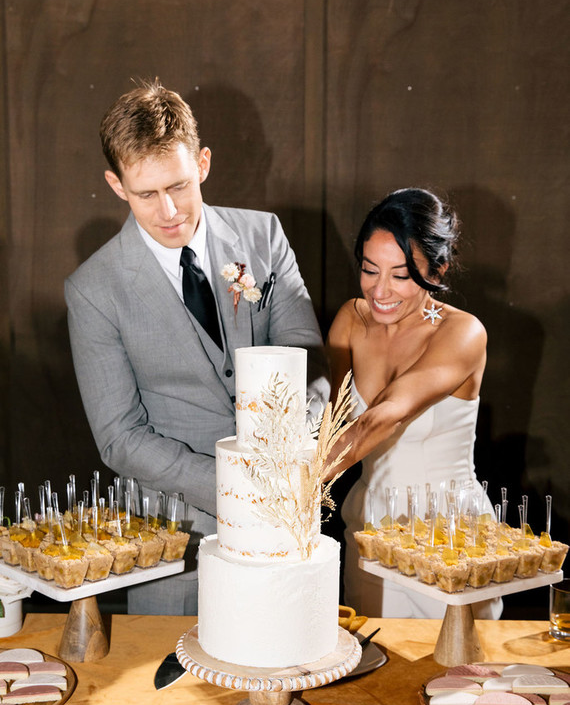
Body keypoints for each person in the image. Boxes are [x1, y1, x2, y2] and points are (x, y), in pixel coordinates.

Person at [65, 80, 329, 615]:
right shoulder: (92, 290)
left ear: (203, 163)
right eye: (146, 194)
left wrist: (287, 470)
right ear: (117, 185)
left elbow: (309, 361)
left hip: (287, 527)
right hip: (175, 543)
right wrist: (238, 490)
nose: (169, 211)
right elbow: (120, 437)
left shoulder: (265, 237)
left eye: (180, 186)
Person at [326, 187, 501, 618]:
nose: (380, 291)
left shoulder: (462, 332)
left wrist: (297, 486)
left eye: (401, 276)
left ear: (437, 269)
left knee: (454, 679)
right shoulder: (351, 319)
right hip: (368, 523)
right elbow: (332, 424)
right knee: (371, 671)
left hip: (447, 531)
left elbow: (384, 417)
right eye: (370, 270)